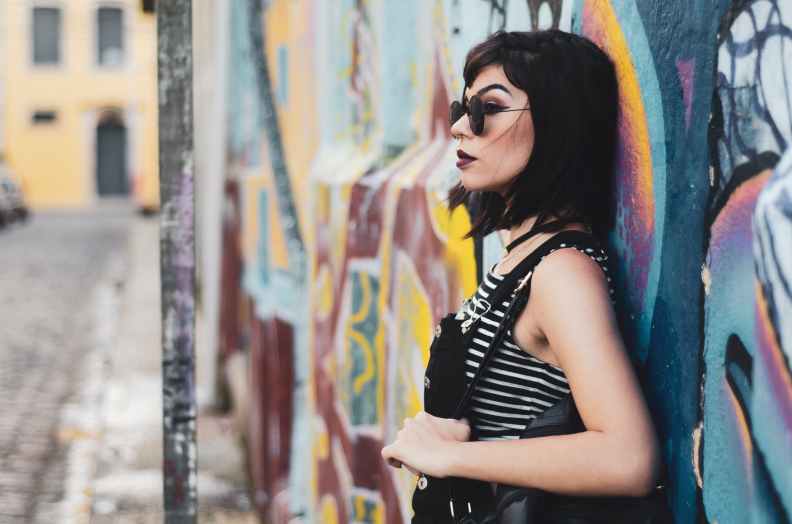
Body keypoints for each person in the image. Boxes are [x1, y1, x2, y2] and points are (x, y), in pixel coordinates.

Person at [381, 29, 661, 519]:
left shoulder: (562, 273)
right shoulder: (523, 257)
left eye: (488, 109)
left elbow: (628, 456)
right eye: (462, 110)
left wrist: (450, 456)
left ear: (557, 123)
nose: (461, 128)